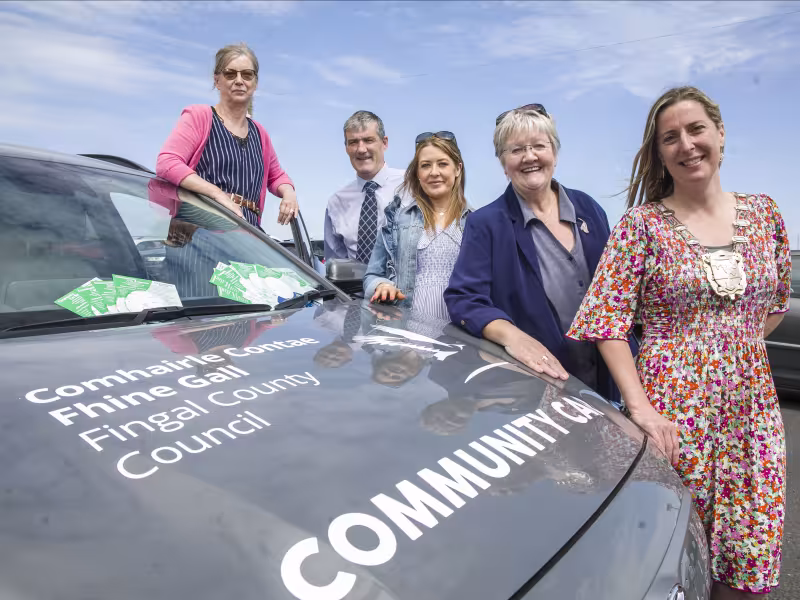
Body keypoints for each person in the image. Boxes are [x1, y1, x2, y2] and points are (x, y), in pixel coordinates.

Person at [567, 86, 789, 598]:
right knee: (671, 551)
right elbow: (606, 322)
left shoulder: (765, 215)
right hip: (674, 412)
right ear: (659, 152)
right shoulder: (641, 226)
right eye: (671, 138)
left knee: (748, 550)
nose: (686, 145)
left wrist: (731, 348)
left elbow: (774, 304)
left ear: (720, 133)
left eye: (696, 130)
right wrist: (642, 408)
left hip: (751, 413)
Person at [444, 106, 620, 401]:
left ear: (555, 152)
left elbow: (618, 291)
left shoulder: (589, 208)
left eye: (539, 146)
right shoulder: (486, 223)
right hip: (540, 387)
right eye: (516, 150)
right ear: (503, 163)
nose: (529, 157)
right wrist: (512, 336)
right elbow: (463, 299)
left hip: (610, 378)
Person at [156, 43, 298, 228]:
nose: (239, 80)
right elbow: (167, 163)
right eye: (230, 74)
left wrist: (289, 193)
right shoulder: (199, 117)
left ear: (255, 83)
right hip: (196, 232)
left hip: (246, 234)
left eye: (247, 75)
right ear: (217, 81)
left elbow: (276, 176)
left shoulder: (260, 133)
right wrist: (216, 194)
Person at [364, 132, 470, 320]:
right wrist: (381, 286)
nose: (434, 172)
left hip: (462, 333)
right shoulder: (396, 219)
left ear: (458, 169)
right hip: (409, 335)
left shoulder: (477, 222)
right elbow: (372, 275)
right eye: (425, 165)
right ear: (417, 173)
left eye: (443, 164)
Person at [324, 111, 405, 262]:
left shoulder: (412, 185)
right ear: (346, 147)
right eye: (353, 142)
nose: (361, 149)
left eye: (368, 140)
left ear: (384, 142)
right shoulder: (336, 203)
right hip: (356, 285)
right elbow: (335, 265)